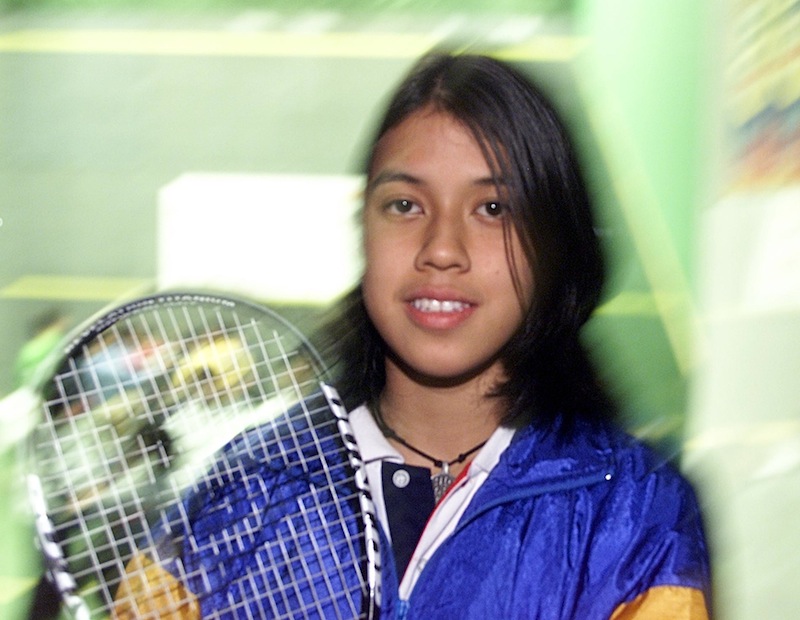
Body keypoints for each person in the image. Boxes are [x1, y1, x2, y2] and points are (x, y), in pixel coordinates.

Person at [115, 51, 711, 618]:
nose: (442, 250)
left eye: (494, 210)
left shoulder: (635, 515)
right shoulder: (241, 493)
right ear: (362, 229)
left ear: (555, 246)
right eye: (405, 205)